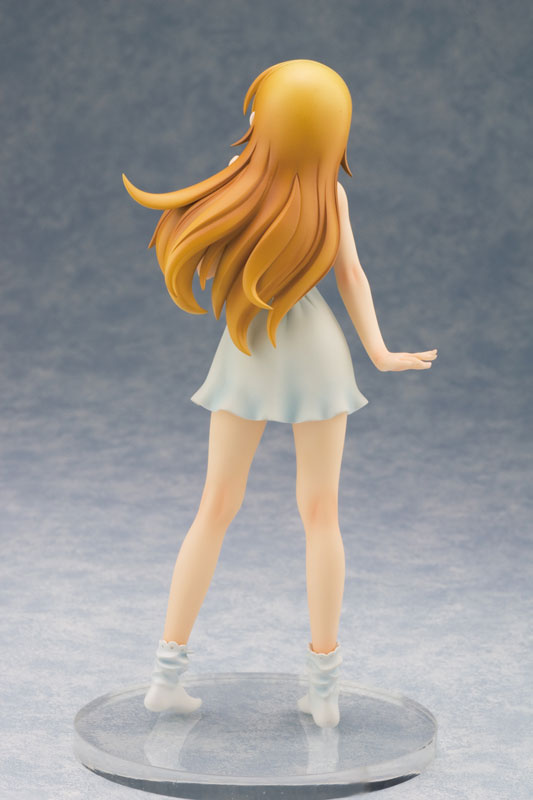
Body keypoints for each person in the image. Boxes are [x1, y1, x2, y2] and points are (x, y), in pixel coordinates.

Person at [123, 59, 437, 728]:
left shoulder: (236, 184)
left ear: (264, 123)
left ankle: (165, 676)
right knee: (321, 514)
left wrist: (380, 351)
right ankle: (323, 690)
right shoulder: (329, 194)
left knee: (214, 507)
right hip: (314, 352)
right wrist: (378, 351)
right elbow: (351, 275)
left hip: (248, 348)